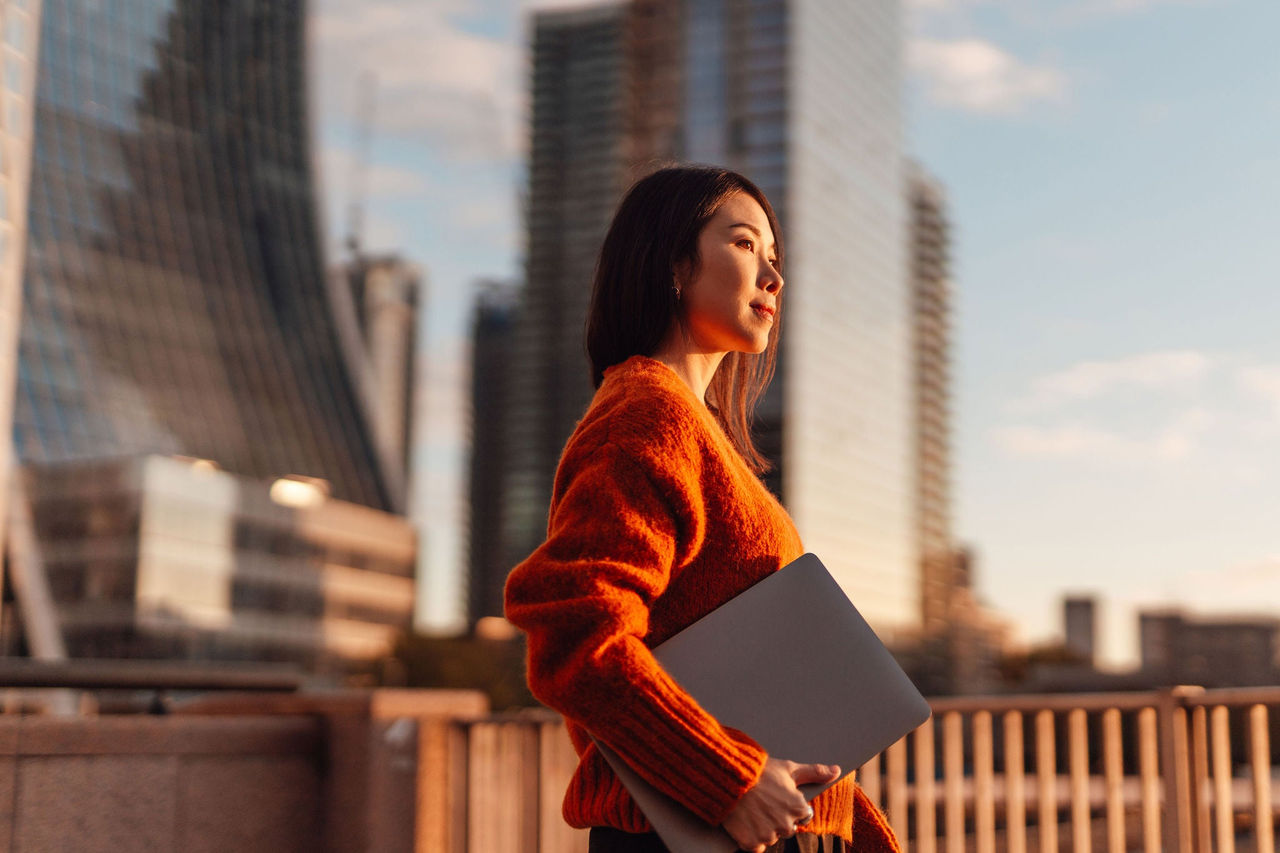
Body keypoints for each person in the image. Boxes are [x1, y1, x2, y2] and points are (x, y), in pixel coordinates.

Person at [504, 166, 900, 853]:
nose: (774, 277)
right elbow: (576, 632)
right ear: (674, 263)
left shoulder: (697, 431)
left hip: (763, 821)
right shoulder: (646, 413)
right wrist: (728, 779)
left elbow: (769, 693)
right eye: (745, 245)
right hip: (694, 827)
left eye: (775, 258)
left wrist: (846, 824)